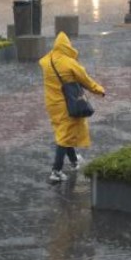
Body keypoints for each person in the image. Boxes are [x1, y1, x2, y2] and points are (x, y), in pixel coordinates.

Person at [39, 31, 106, 184]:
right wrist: (99, 90)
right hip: (66, 104)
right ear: (67, 46)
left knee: (63, 131)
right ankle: (56, 171)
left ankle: (74, 161)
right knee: (64, 136)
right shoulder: (69, 63)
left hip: (51, 104)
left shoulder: (46, 61)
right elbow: (86, 81)